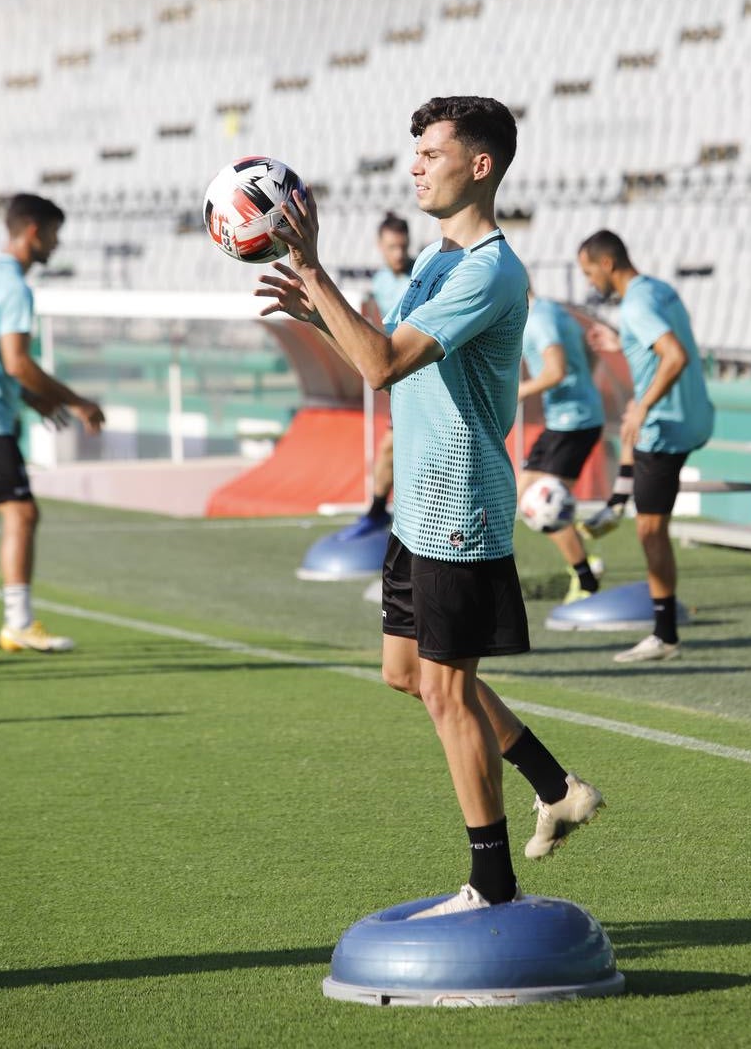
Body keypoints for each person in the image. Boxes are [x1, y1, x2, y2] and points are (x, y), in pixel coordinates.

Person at [257, 97, 603, 914]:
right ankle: (555, 786)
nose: (415, 164)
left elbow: (380, 364)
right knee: (407, 674)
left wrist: (314, 268)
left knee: (449, 692)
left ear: (479, 166)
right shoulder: (438, 259)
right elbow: (374, 353)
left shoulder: (488, 270)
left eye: (432, 151)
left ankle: (492, 886)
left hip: (459, 508)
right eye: (413, 151)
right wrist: (317, 311)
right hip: (418, 506)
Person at [578, 229, 714, 663]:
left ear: (606, 264)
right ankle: (619, 497)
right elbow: (664, 342)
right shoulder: (657, 289)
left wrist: (642, 408)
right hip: (696, 415)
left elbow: (674, 355)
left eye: (588, 271)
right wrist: (624, 343)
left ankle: (665, 635)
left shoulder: (635, 304)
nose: (589, 281)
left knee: (650, 530)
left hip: (666, 427)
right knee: (649, 512)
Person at [0, 194, 105, 653]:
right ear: (35, 231)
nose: (57, 246)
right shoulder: (15, 286)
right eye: (55, 235)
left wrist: (31, 400)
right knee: (20, 512)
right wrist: (75, 401)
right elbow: (16, 362)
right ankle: (18, 621)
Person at [517, 289, 606, 604]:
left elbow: (556, 371)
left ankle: (585, 577)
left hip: (574, 422)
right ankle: (584, 561)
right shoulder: (554, 311)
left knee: (543, 503)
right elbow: (589, 350)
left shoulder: (539, 320)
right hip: (568, 419)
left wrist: (520, 390)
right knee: (525, 493)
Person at [342, 214, 414, 540]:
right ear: (380, 246)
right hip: (403, 376)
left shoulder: (423, 273)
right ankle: (377, 511)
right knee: (390, 449)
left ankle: (381, 511)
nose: (398, 253)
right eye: (391, 247)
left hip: (424, 369)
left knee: (394, 448)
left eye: (403, 246)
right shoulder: (381, 281)